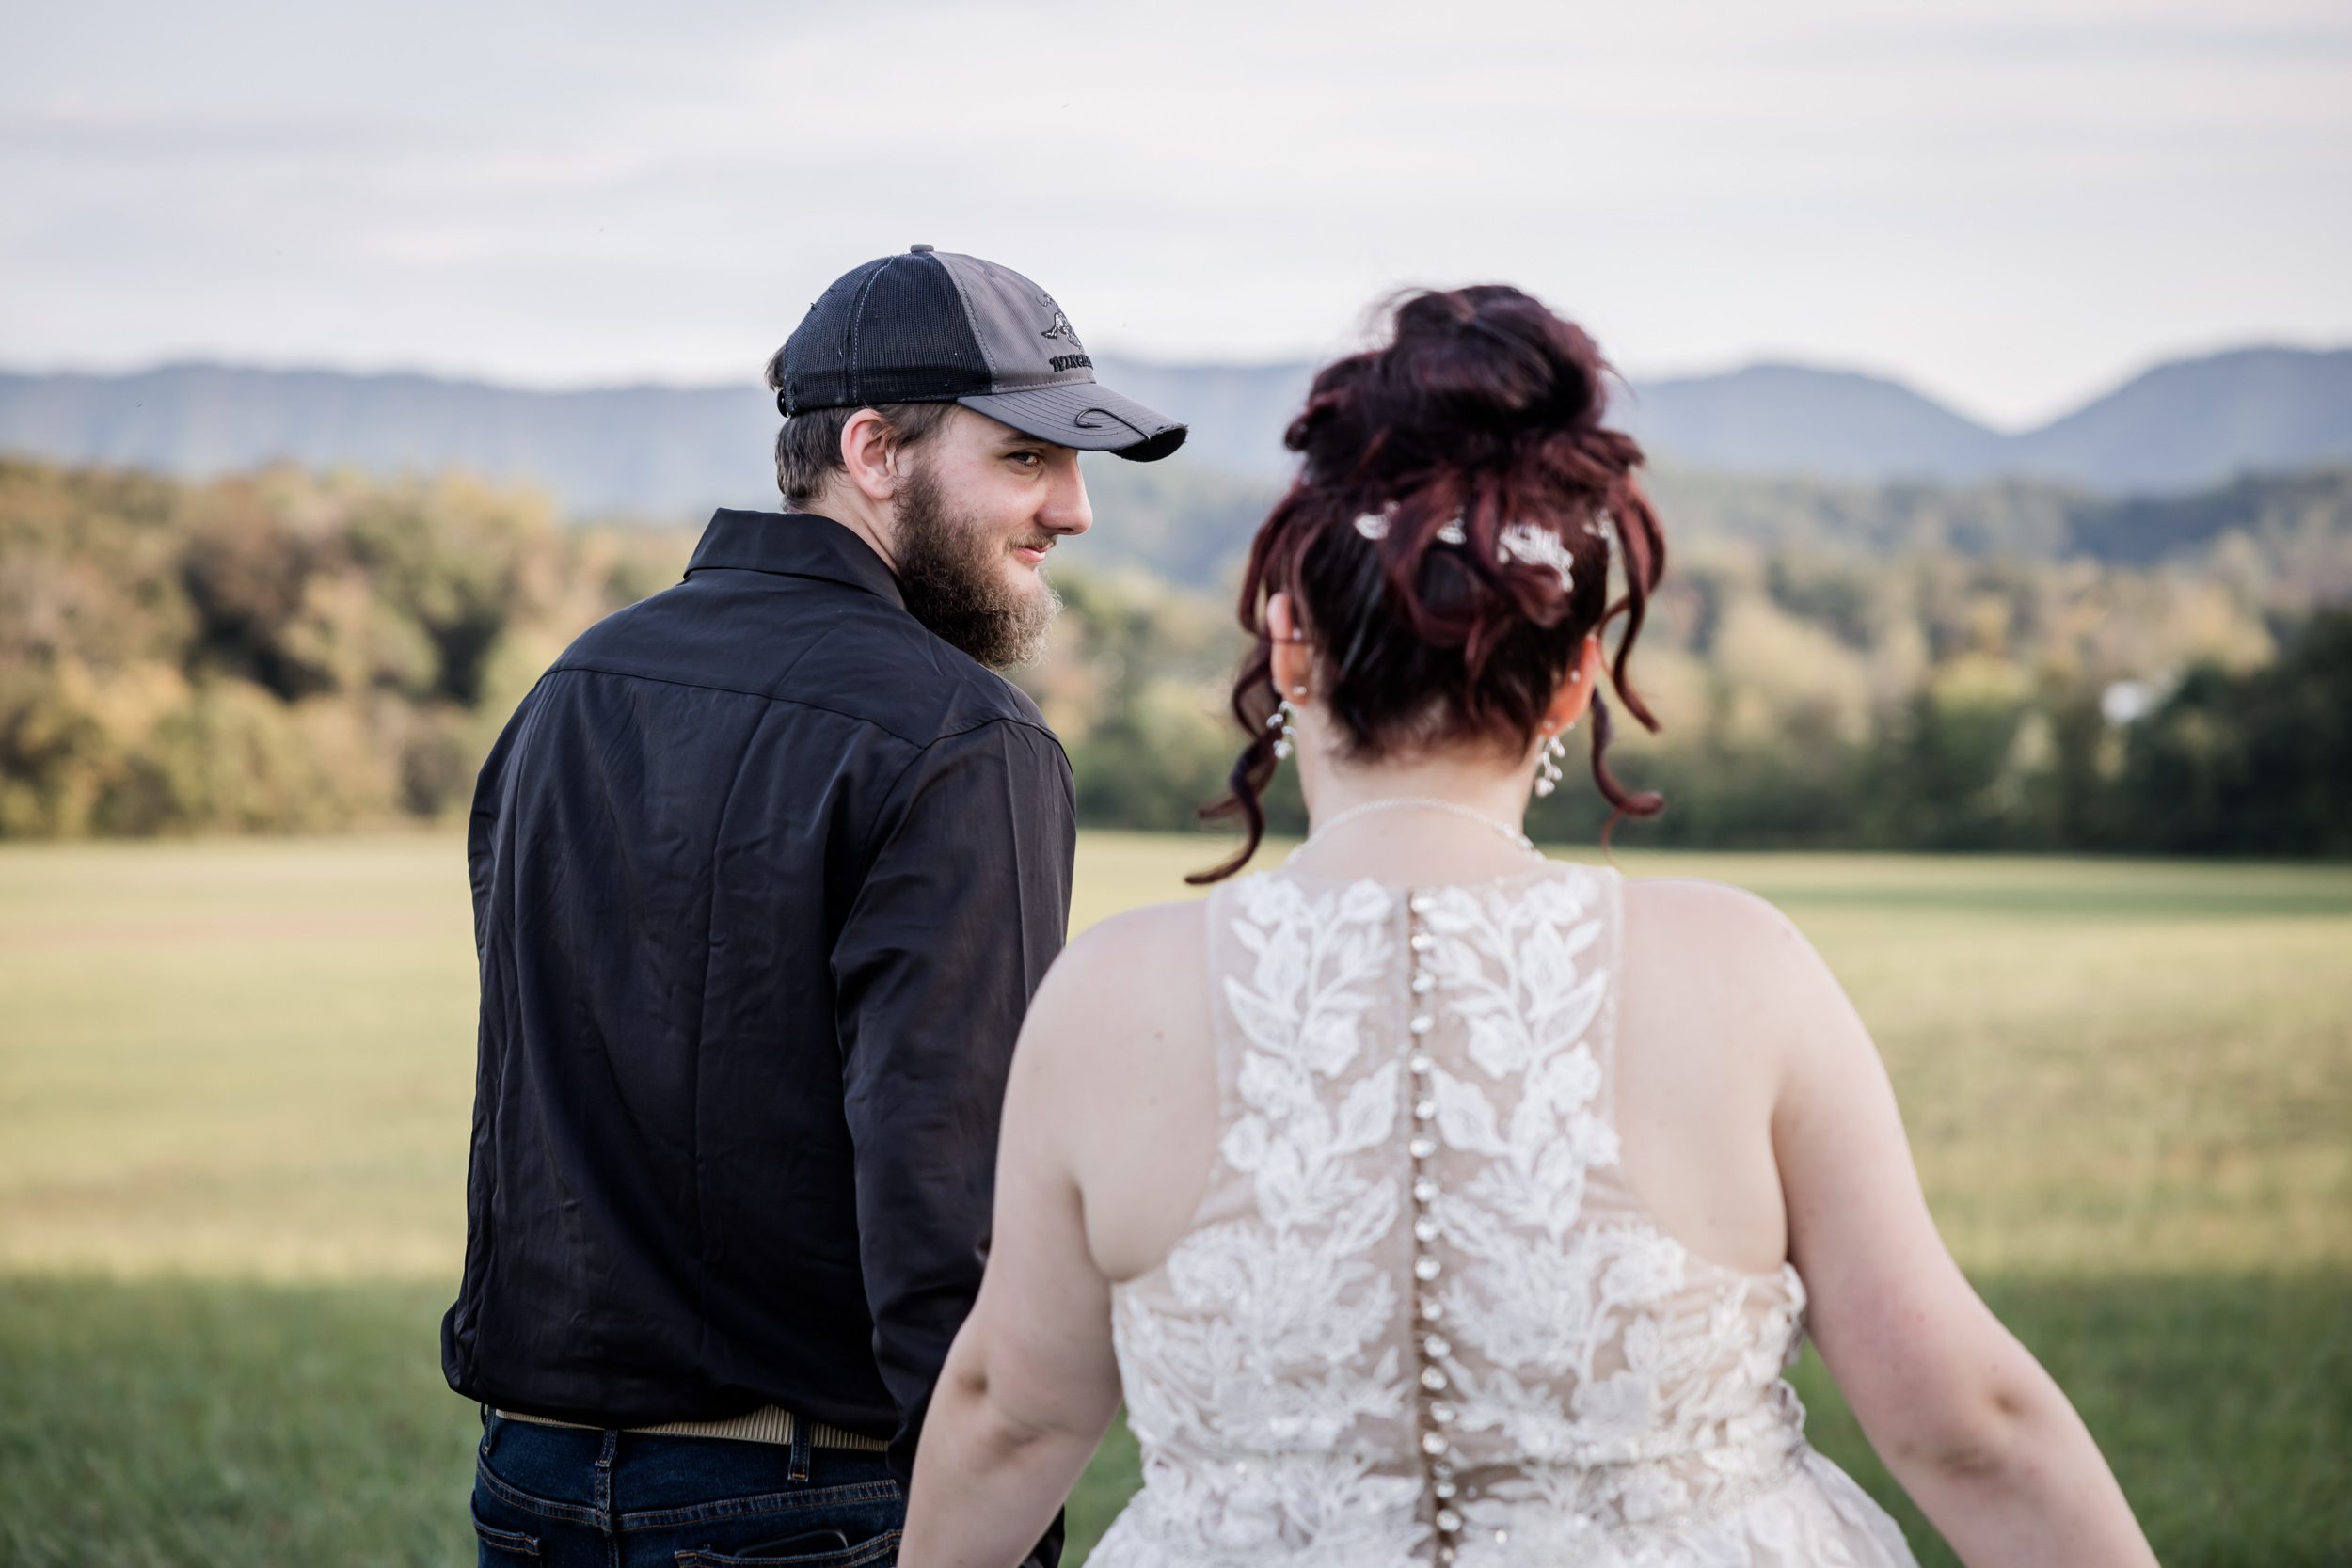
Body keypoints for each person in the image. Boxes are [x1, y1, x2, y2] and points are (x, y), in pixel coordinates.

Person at [899, 286, 2157, 1567]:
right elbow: (1968, 1427)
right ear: (1571, 682)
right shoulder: (1742, 973)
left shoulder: (1113, 995)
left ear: (1290, 643)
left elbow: (1009, 1415)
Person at [444, 245, 1184, 1567]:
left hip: (529, 1485)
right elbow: (951, 1215)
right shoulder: (961, 739)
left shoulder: (571, 689)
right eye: (1026, 459)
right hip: (804, 1508)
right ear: (873, 451)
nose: (1073, 509)